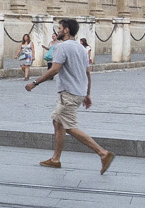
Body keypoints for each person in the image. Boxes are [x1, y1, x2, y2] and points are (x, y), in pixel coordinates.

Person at [25, 18, 113, 174]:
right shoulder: (81, 48)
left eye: (59, 28)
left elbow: (54, 69)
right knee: (58, 122)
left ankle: (103, 153)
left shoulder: (62, 47)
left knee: (69, 127)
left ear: (66, 30)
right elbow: (87, 73)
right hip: (77, 93)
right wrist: (87, 94)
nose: (57, 31)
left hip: (68, 93)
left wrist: (35, 83)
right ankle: (55, 159)